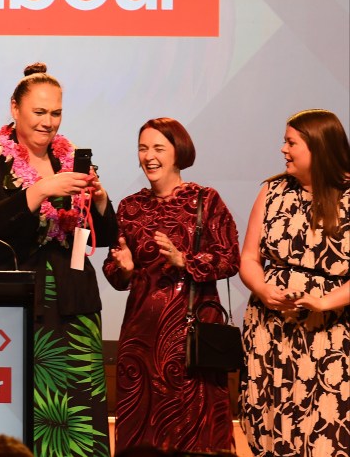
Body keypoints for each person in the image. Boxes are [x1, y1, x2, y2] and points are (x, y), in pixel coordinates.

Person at [0, 63, 116, 457]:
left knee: (80, 408)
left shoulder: (72, 162)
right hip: (15, 301)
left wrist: (99, 199)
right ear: (15, 109)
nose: (48, 122)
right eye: (39, 112)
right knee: (19, 406)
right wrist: (42, 190)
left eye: (56, 113)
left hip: (74, 302)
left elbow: (110, 237)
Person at [102, 118, 240, 452]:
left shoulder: (205, 200)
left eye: (158, 148)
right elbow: (114, 271)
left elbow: (230, 257)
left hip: (190, 338)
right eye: (143, 148)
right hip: (141, 340)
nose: (149, 156)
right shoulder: (130, 206)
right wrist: (123, 268)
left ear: (178, 153)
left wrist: (186, 261)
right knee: (141, 434)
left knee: (195, 431)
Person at [238, 109, 350, 456]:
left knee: (325, 436)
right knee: (272, 431)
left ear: (318, 147)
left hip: (330, 337)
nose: (283, 149)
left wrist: (324, 302)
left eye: (291, 143)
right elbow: (249, 259)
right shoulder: (272, 190)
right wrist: (263, 289)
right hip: (270, 332)